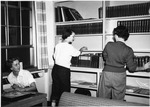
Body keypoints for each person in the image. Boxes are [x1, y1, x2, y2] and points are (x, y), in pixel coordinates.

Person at [98, 25, 150, 100]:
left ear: (116, 36)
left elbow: (104, 56)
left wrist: (111, 61)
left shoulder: (109, 45)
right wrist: (144, 67)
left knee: (102, 98)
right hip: (119, 76)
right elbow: (131, 68)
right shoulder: (128, 50)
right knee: (118, 100)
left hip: (107, 74)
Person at [50, 29, 88, 105]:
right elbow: (77, 54)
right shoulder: (69, 47)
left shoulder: (57, 45)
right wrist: (81, 49)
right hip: (63, 70)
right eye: (73, 36)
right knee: (65, 92)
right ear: (67, 36)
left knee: (55, 89)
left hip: (55, 69)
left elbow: (54, 56)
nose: (74, 38)